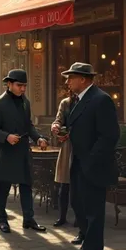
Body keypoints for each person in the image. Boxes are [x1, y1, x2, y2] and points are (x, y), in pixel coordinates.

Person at [60, 62, 119, 250]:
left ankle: (92, 248)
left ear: (83, 79)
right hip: (78, 161)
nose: (67, 81)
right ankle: (86, 238)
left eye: (71, 77)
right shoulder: (78, 100)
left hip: (94, 164)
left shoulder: (100, 99)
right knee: (77, 202)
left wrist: (91, 160)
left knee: (93, 208)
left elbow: (109, 136)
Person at [0, 69, 48, 234]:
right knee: (4, 188)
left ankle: (29, 219)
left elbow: (28, 125)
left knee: (26, 185)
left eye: (25, 86)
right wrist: (6, 136)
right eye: (19, 85)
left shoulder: (25, 102)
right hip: (6, 151)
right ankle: (2, 220)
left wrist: (38, 138)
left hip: (22, 150)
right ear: (9, 84)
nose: (22, 89)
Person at [50, 90, 77, 227]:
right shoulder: (65, 103)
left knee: (79, 186)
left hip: (82, 147)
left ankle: (79, 218)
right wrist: (56, 127)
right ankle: (62, 217)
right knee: (64, 185)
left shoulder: (89, 102)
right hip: (67, 148)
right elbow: (58, 120)